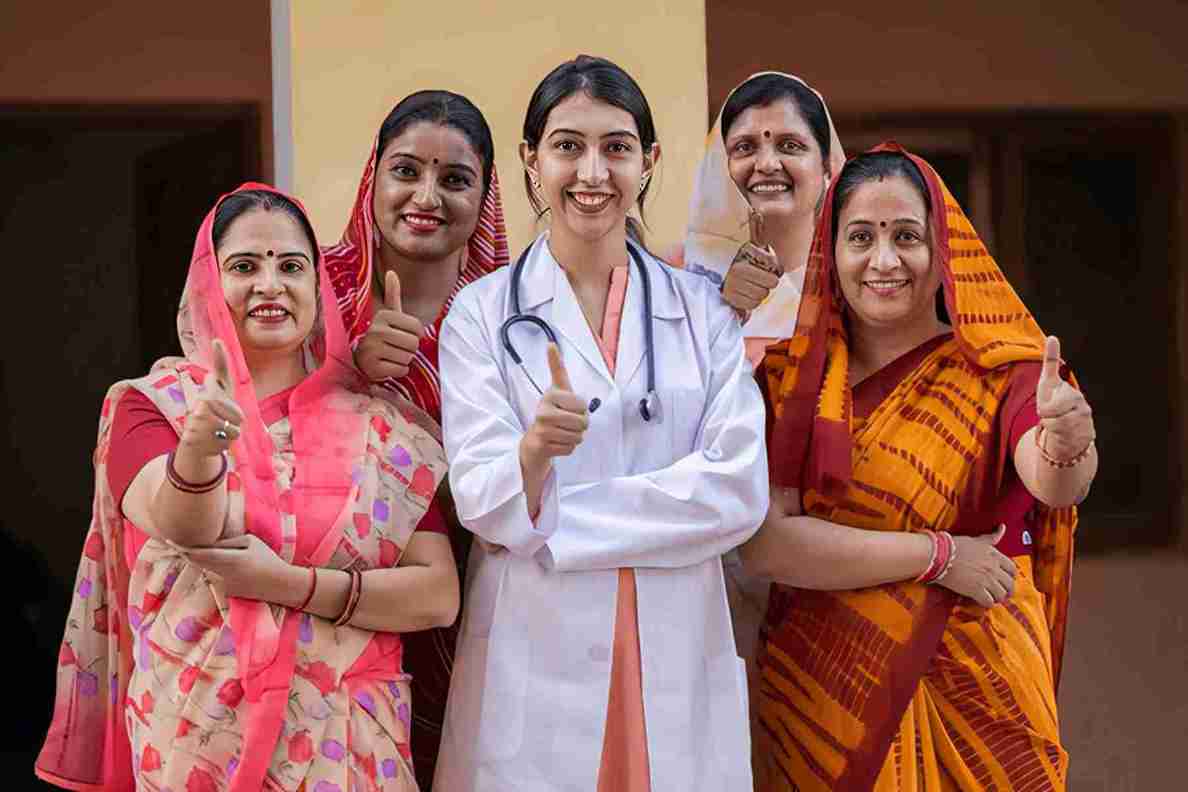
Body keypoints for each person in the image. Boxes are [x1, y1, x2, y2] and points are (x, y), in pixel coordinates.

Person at [36, 184, 459, 791]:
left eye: (291, 266)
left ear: (318, 288)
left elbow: (437, 594)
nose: (270, 284)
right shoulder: (154, 407)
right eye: (244, 266)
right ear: (209, 284)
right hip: (197, 738)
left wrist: (290, 585)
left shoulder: (380, 428)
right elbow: (184, 525)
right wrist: (202, 448)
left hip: (348, 747)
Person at [433, 56, 769, 791]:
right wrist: (529, 456)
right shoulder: (480, 317)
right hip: (534, 653)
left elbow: (739, 492)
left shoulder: (705, 315)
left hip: (673, 657)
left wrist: (550, 516)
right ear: (529, 160)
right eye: (567, 146)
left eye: (616, 147)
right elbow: (483, 502)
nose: (592, 171)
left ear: (648, 162)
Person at [741, 145, 1095, 791]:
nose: (884, 260)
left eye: (907, 236)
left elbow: (1051, 479)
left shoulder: (1001, 374)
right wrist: (937, 557)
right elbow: (767, 544)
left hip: (981, 697)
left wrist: (1068, 441)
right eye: (860, 237)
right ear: (832, 251)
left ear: (944, 256)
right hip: (822, 707)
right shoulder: (792, 380)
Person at [322, 89, 509, 789]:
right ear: (375, 176)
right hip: (329, 617)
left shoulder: (514, 317)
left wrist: (425, 441)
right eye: (407, 170)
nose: (426, 196)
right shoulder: (316, 290)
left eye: (454, 179)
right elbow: (259, 430)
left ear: (486, 195)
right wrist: (345, 373)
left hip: (477, 612)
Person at [676, 72, 845, 367]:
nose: (766, 164)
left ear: (827, 168)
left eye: (790, 145)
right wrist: (725, 307)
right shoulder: (677, 281)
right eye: (745, 147)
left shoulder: (857, 279)